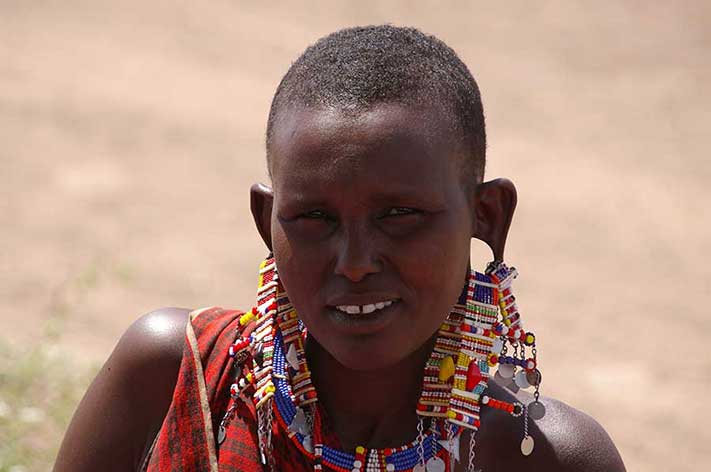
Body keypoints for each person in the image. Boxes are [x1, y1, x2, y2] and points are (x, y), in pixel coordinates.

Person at [54, 25, 625, 472]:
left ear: (487, 216)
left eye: (400, 216)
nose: (354, 262)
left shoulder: (549, 457)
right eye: (314, 218)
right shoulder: (177, 377)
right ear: (266, 222)